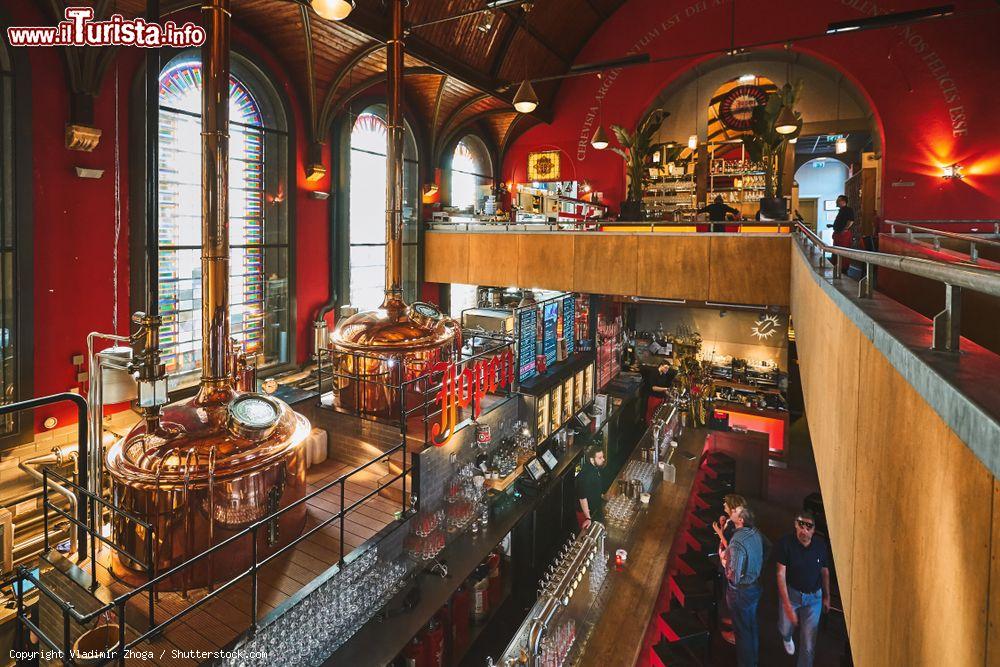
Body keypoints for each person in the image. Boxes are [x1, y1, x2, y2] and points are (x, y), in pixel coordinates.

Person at [775, 510, 831, 667]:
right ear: (795, 525)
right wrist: (787, 606)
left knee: (808, 644)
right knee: (785, 628)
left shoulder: (820, 546)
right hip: (792, 594)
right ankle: (787, 637)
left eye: (809, 527)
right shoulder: (785, 543)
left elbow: (825, 571)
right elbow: (780, 575)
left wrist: (827, 595)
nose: (804, 530)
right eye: (801, 525)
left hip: (814, 599)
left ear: (813, 530)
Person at [719, 506, 764, 666]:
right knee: (751, 626)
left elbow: (734, 576)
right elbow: (768, 548)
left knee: (742, 632)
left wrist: (724, 561)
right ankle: (754, 660)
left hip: (741, 592)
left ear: (740, 520)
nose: (733, 510)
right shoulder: (755, 533)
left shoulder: (737, 541)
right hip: (754, 587)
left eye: (736, 511)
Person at [712, 494, 748, 644]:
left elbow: (731, 546)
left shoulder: (735, 525)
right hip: (725, 564)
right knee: (727, 594)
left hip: (730, 567)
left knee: (731, 597)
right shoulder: (730, 521)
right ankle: (730, 622)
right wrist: (722, 525)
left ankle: (733, 632)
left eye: (726, 505)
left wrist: (719, 532)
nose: (724, 506)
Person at [575, 446, 607, 530]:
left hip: (594, 507)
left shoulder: (595, 468)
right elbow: (582, 498)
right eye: (600, 458)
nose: (603, 459)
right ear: (592, 460)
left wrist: (603, 496)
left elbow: (595, 487)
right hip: (585, 512)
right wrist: (588, 518)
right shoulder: (585, 475)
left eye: (603, 457)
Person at [827, 195, 855, 272]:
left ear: (843, 201)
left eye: (838, 200)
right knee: (836, 251)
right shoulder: (841, 210)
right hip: (838, 233)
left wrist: (845, 229)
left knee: (843, 251)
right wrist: (832, 225)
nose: (836, 202)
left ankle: (843, 268)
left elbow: (851, 221)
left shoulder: (848, 210)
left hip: (843, 235)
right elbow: (842, 222)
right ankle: (837, 266)